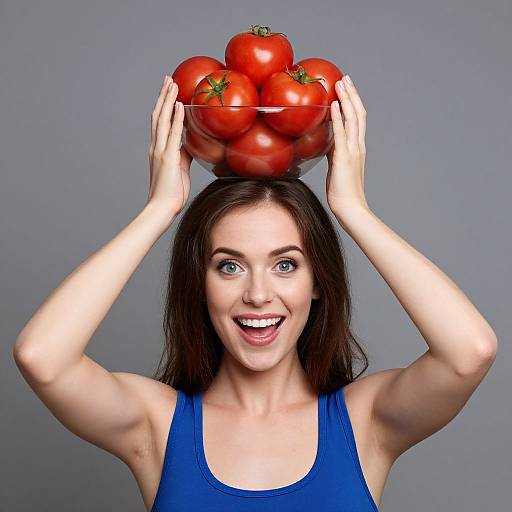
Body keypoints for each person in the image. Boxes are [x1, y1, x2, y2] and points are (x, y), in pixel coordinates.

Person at [13, 74, 498, 512]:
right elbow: (42, 357)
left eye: (285, 264)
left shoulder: (364, 421)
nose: (259, 294)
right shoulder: (156, 425)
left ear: (317, 284)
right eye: (229, 267)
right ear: (199, 286)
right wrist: (159, 210)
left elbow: (469, 352)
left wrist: (353, 209)